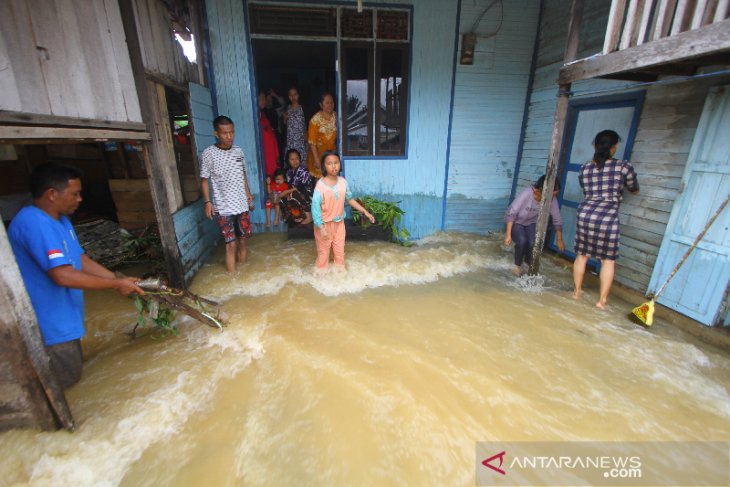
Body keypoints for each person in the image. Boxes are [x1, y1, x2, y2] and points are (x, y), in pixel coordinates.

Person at [8, 163, 145, 389]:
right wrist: (114, 285)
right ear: (52, 194)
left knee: (72, 379)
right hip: (50, 327)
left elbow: (79, 260)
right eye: (75, 194)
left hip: (66, 320)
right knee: (64, 387)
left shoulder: (60, 220)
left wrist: (117, 278)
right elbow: (63, 275)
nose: (80, 199)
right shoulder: (33, 223)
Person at [573, 129, 639, 309]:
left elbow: (585, 189)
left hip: (585, 214)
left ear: (595, 146)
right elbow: (634, 188)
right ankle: (601, 301)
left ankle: (577, 291)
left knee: (582, 256)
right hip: (607, 217)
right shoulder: (623, 167)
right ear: (614, 147)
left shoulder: (585, 167)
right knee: (607, 260)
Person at [200, 115, 255, 273]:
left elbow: (242, 173)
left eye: (232, 132)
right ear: (216, 133)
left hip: (242, 205)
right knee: (230, 245)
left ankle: (242, 277)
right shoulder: (209, 154)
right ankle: (232, 281)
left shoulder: (238, 151)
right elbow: (204, 180)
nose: (229, 136)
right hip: (223, 208)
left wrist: (248, 193)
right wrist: (207, 202)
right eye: (225, 133)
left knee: (243, 241)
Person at [312, 151, 375, 270]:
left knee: (340, 254)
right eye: (329, 163)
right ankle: (320, 282)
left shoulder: (343, 182)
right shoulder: (320, 186)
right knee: (323, 255)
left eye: (336, 162)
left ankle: (340, 281)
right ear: (324, 166)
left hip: (339, 224)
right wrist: (321, 227)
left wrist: (365, 212)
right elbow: (315, 208)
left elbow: (350, 199)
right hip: (324, 225)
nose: (334, 166)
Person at [504, 175, 565, 275]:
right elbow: (511, 213)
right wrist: (508, 235)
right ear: (541, 190)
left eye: (555, 195)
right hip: (516, 221)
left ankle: (528, 264)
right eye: (551, 195)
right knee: (522, 241)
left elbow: (557, 218)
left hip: (531, 222)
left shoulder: (551, 199)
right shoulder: (527, 193)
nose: (552, 198)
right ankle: (517, 265)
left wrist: (559, 239)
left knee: (533, 243)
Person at [279, 148, 314, 225]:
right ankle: (298, 216)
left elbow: (300, 187)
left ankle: (308, 217)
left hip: (307, 195)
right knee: (282, 198)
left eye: (297, 158)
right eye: (292, 159)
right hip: (296, 194)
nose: (295, 161)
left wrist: (286, 192)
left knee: (293, 193)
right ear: (288, 161)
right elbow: (289, 186)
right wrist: (285, 193)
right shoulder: (289, 172)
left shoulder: (304, 171)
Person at [307, 92, 337, 178]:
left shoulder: (336, 116)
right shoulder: (315, 120)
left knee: (331, 178)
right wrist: (316, 159)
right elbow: (312, 142)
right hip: (318, 154)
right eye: (327, 103)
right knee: (320, 180)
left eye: (332, 102)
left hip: (331, 154)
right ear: (321, 105)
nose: (330, 105)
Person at [282, 87, 308, 169]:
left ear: (298, 95)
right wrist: (284, 118)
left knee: (301, 161)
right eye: (290, 95)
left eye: (295, 94)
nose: (293, 97)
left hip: (301, 140)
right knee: (292, 161)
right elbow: (284, 124)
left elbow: (309, 122)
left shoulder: (303, 108)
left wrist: (307, 135)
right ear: (288, 96)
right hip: (291, 141)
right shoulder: (287, 108)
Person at [258, 91, 280, 178]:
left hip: (270, 151)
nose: (264, 101)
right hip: (265, 153)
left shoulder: (263, 114)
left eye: (265, 99)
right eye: (262, 99)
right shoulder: (257, 115)